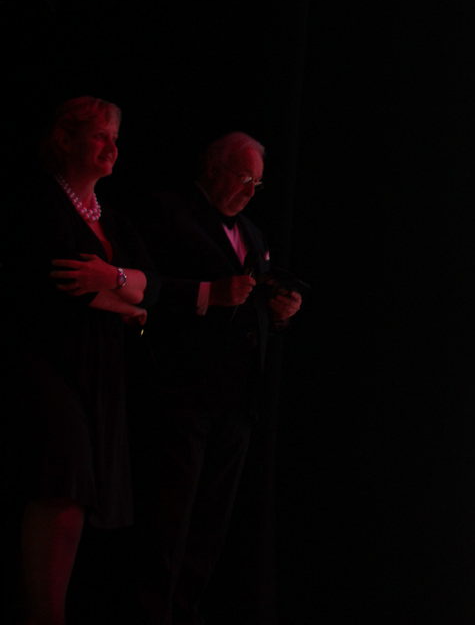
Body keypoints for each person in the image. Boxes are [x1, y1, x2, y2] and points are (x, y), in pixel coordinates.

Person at [130, 132, 302, 625]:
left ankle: (184, 612)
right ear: (212, 168)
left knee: (210, 526)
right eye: (244, 178)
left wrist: (280, 313)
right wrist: (209, 293)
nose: (250, 191)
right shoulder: (168, 212)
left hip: (237, 403)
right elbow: (146, 287)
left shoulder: (252, 231)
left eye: (257, 184)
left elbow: (252, 305)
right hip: (181, 395)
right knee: (167, 521)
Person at [4, 97, 158, 625]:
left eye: (115, 138)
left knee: (76, 497)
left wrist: (115, 280)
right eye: (99, 135)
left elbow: (153, 291)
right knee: (62, 490)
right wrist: (126, 301)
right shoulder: (41, 202)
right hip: (48, 363)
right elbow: (64, 282)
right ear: (65, 139)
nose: (111, 147)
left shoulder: (114, 221)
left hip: (98, 373)